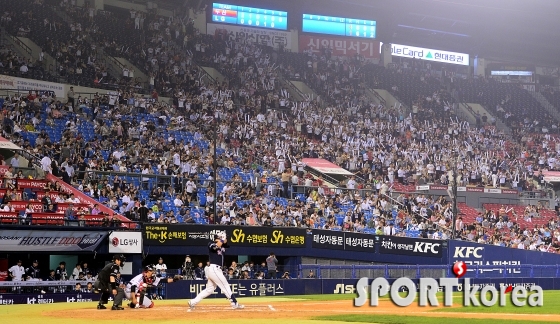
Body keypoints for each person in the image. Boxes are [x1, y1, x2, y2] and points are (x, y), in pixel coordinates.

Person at [188, 231, 244, 310]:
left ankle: (192, 302)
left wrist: (223, 238)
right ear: (217, 238)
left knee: (209, 289)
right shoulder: (210, 243)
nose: (224, 238)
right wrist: (221, 239)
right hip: (214, 269)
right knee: (225, 286)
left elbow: (226, 244)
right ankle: (234, 303)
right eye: (222, 237)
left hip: (217, 270)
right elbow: (214, 247)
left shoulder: (223, 245)